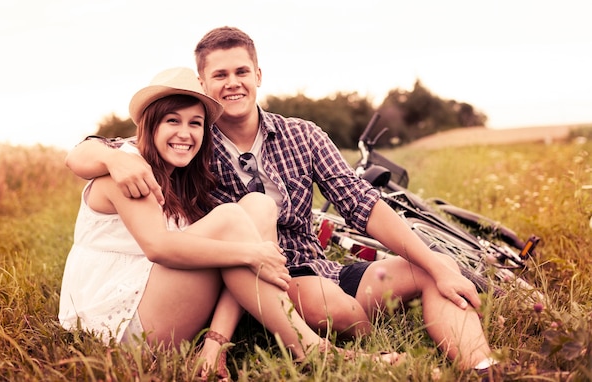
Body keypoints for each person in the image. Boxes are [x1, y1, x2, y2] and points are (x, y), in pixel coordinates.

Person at [65, 27, 496, 372]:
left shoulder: (291, 135)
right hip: (275, 283)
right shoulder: (185, 145)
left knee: (433, 266)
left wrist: (437, 263)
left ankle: (482, 365)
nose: (232, 83)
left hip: (316, 266)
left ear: (258, 75)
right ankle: (322, 344)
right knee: (340, 310)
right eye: (219, 75)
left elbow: (360, 201)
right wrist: (111, 156)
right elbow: (97, 151)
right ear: (203, 84)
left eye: (241, 72)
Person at [59, 67, 400, 381]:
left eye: (195, 123)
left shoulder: (183, 178)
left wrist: (246, 255)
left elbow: (220, 259)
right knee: (231, 223)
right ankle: (309, 346)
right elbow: (158, 248)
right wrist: (251, 254)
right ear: (150, 125)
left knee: (258, 205)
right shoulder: (129, 171)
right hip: (123, 328)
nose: (185, 133)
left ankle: (215, 344)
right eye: (172, 121)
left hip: (154, 302)